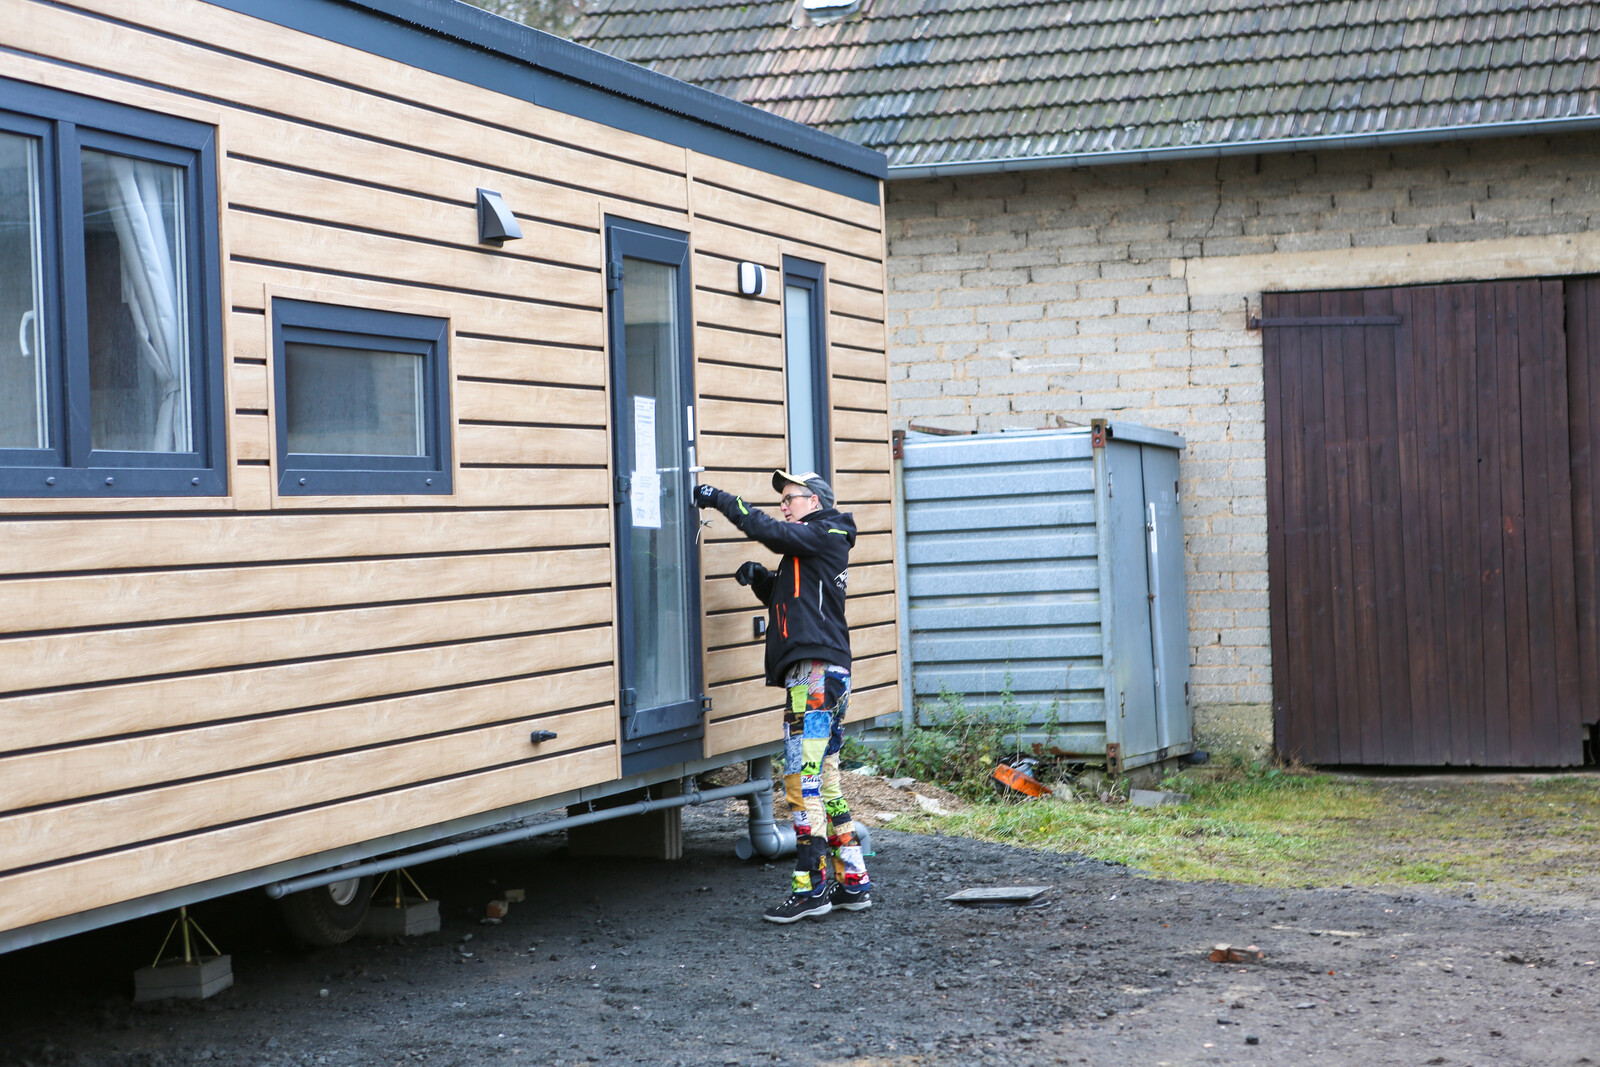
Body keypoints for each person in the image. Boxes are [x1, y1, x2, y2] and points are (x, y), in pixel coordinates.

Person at [693, 469, 873, 923]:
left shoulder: (826, 531)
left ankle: (810, 890)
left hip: (813, 680)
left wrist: (719, 499)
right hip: (827, 675)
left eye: (789, 498)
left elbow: (769, 532)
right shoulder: (812, 547)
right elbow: (793, 600)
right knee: (826, 782)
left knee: (800, 781)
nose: (783, 506)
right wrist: (760, 582)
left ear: (813, 501)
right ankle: (853, 882)